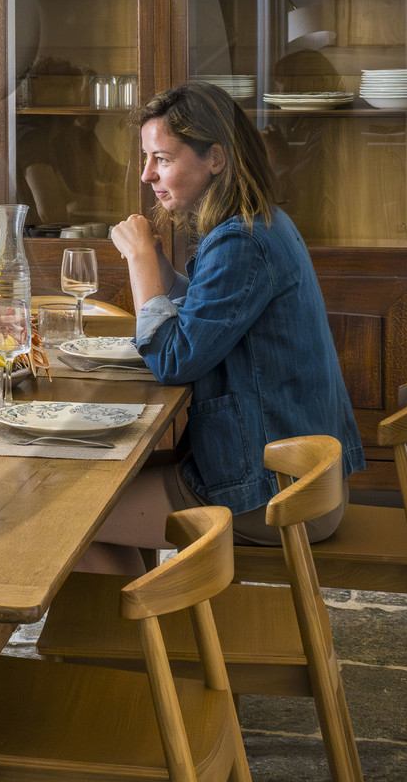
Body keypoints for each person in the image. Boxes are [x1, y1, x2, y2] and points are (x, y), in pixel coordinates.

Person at [103, 81, 363, 548]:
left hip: (277, 497)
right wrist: (161, 270)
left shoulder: (240, 240)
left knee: (80, 519)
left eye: (161, 158)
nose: (146, 175)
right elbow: (216, 316)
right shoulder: (257, 221)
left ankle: (149, 617)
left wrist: (141, 263)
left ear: (216, 159)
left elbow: (174, 360)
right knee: (105, 484)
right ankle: (154, 617)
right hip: (305, 482)